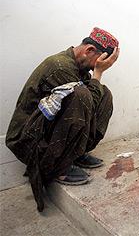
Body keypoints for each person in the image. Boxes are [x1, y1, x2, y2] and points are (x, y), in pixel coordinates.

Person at [6, 27, 120, 212]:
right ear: (89, 50)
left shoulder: (78, 67)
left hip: (46, 131)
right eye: (98, 62)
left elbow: (92, 103)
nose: (94, 67)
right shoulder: (60, 66)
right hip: (28, 139)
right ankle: (56, 167)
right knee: (81, 93)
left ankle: (75, 153)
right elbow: (86, 103)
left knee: (104, 94)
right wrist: (98, 73)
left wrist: (96, 75)